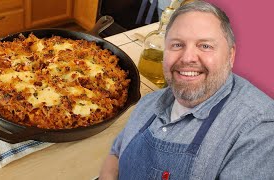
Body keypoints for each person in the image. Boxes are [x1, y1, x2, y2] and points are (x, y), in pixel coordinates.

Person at [99, 0, 274, 179]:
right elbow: (115, 154)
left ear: (230, 55)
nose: (187, 57)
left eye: (205, 46)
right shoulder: (149, 102)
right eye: (177, 45)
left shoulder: (260, 130)